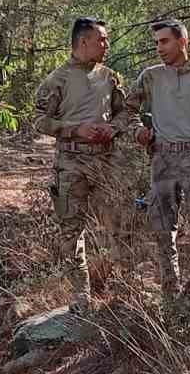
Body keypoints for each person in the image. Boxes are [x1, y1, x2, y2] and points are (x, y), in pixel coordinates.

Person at [33, 17, 140, 309]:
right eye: (101, 39)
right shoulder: (58, 79)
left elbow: (125, 113)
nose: (107, 45)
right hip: (70, 163)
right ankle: (81, 295)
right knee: (71, 229)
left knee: (121, 225)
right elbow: (39, 120)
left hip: (107, 162)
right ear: (83, 42)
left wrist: (113, 129)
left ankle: (126, 291)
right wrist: (74, 129)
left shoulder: (109, 77)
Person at [128, 19, 190, 294]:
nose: (159, 48)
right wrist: (138, 131)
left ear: (183, 41)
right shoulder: (151, 76)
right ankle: (170, 291)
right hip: (163, 157)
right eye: (157, 42)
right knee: (162, 228)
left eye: (164, 41)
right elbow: (127, 109)